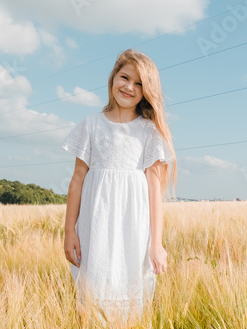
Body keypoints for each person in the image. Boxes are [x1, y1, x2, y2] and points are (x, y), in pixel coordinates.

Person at [61, 49, 177, 325]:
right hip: (94, 224)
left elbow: (154, 191)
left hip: (134, 226)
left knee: (132, 289)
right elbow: (77, 179)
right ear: (113, 77)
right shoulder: (91, 125)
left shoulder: (150, 132)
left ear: (147, 91)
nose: (129, 87)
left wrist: (156, 244)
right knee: (94, 291)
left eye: (139, 84)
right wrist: (68, 232)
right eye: (125, 77)